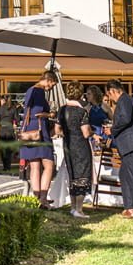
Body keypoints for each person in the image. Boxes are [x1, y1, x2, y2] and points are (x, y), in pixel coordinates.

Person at [106, 80, 133, 220]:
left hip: (132, 145)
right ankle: (129, 207)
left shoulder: (124, 100)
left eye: (109, 94)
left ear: (113, 91)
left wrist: (112, 129)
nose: (110, 98)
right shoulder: (128, 100)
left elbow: (125, 119)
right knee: (124, 175)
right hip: (130, 145)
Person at [56, 79, 92, 218]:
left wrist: (66, 134)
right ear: (80, 93)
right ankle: (79, 209)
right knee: (82, 175)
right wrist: (93, 132)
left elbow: (57, 130)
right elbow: (86, 132)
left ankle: (72, 207)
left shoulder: (62, 110)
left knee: (72, 175)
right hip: (80, 145)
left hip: (68, 144)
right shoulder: (81, 111)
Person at [18, 71, 55, 199]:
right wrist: (50, 114)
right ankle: (43, 198)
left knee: (34, 166)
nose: (52, 87)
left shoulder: (30, 90)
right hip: (39, 130)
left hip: (29, 130)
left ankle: (36, 198)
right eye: (53, 84)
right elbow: (38, 113)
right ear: (48, 80)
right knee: (49, 165)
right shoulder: (39, 91)